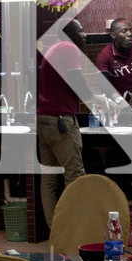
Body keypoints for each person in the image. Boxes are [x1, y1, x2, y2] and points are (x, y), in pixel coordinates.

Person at [36, 21, 91, 226]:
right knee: (75, 175)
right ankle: (74, 229)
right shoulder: (69, 48)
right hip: (60, 121)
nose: (85, 35)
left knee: (49, 179)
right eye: (81, 30)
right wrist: (97, 99)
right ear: (68, 33)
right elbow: (77, 82)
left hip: (45, 120)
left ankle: (55, 229)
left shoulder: (52, 49)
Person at [96, 17, 132, 112]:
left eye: (131, 30)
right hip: (121, 110)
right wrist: (119, 100)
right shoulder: (104, 56)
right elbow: (103, 84)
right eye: (124, 31)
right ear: (113, 35)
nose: (130, 34)